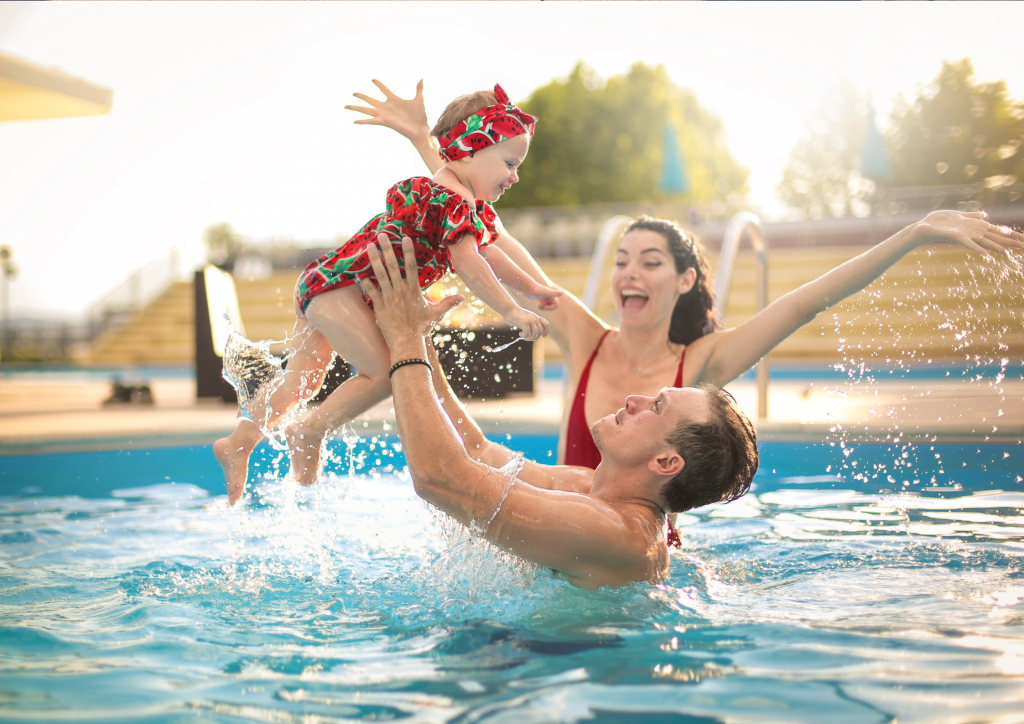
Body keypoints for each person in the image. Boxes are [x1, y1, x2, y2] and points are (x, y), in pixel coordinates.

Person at [347, 80, 1024, 467]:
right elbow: (479, 224)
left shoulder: (700, 366)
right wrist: (426, 144)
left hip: (629, 565)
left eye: (648, 262)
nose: (627, 275)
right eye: (620, 261)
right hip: (549, 539)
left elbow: (807, 302)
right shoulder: (584, 338)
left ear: (685, 280)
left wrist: (911, 234)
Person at [214, 84, 561, 503]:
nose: (515, 176)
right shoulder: (449, 199)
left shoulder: (461, 203)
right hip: (341, 289)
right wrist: (510, 310)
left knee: (302, 382)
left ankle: (239, 442)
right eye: (509, 162)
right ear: (469, 150)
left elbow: (490, 253)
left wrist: (535, 288)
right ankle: (309, 431)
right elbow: (471, 263)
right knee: (383, 374)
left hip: (326, 284)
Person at [362, 236, 758, 589]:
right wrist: (417, 332)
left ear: (667, 461)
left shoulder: (614, 533)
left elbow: (441, 479)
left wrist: (405, 340)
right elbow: (477, 452)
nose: (634, 400)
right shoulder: (588, 488)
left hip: (554, 663)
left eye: (656, 406)